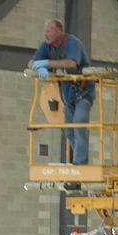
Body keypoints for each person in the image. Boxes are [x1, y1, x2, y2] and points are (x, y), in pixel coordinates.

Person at [30, 19, 95, 166]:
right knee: (69, 130)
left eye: (49, 31)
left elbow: (71, 63)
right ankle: (79, 160)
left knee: (79, 124)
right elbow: (32, 62)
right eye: (45, 31)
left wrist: (47, 63)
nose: (45, 34)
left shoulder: (72, 43)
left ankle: (80, 162)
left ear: (59, 31)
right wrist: (38, 67)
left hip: (83, 92)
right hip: (67, 95)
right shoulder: (46, 46)